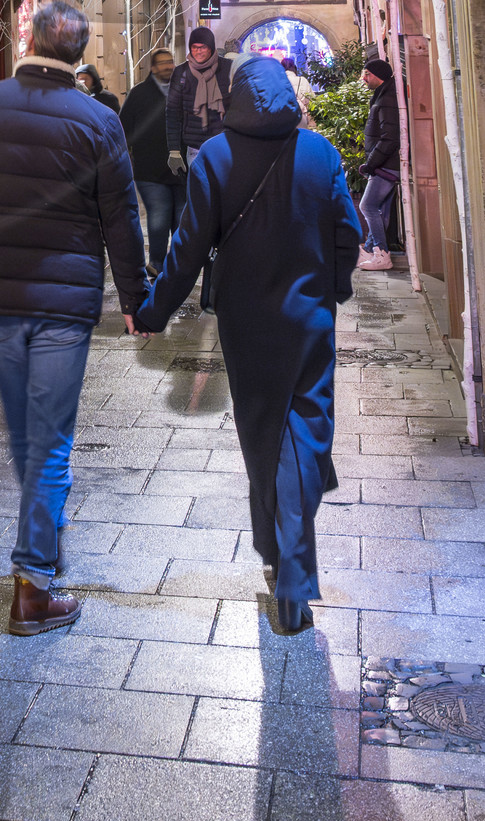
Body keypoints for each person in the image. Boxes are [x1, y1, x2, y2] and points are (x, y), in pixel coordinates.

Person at [0, 0, 145, 638]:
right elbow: (120, 217)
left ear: (29, 40)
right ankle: (32, 585)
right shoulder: (96, 120)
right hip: (64, 300)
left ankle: (44, 544)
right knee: (49, 441)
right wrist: (136, 299)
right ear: (77, 53)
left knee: (30, 436)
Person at [132, 55, 361, 631]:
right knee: (307, 431)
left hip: (246, 322)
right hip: (308, 320)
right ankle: (293, 569)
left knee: (262, 434)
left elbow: (186, 249)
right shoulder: (320, 153)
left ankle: (279, 556)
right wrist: (334, 287)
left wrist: (153, 312)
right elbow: (347, 233)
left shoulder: (215, 157)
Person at [121, 46, 178, 273]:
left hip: (181, 170)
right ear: (153, 68)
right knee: (160, 214)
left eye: (170, 61)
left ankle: (177, 264)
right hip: (150, 170)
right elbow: (123, 128)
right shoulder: (139, 94)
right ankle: (156, 263)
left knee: (181, 219)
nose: (167, 66)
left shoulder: (183, 89)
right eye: (162, 62)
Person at [165, 27, 230, 180]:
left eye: (203, 47)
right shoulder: (181, 72)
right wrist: (174, 151)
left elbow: (237, 108)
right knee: (199, 193)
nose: (198, 52)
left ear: (211, 48)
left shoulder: (227, 68)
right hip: (195, 147)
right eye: (194, 47)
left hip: (224, 145)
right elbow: (173, 112)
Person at [358, 56, 401, 270]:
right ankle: (371, 250)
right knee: (379, 208)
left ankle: (381, 255)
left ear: (378, 76)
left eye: (367, 74)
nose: (364, 78)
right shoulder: (383, 95)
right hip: (386, 163)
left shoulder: (386, 98)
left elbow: (390, 136)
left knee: (367, 205)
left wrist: (372, 163)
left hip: (386, 164)